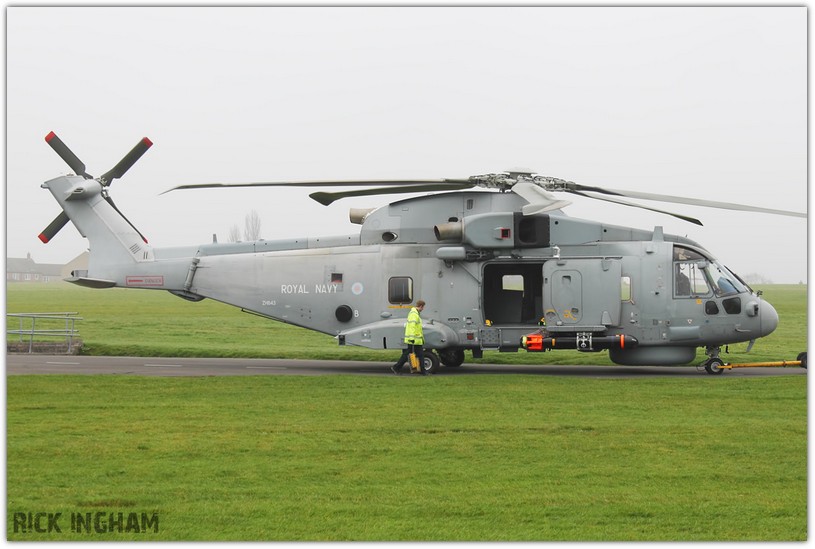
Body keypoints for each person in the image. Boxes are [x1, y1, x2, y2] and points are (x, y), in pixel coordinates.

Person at [391, 300, 427, 375]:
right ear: (421, 306)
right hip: (414, 339)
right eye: (423, 307)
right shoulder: (414, 314)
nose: (423, 309)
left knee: (417, 354)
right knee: (411, 354)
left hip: (416, 339)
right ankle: (396, 367)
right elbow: (412, 327)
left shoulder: (415, 313)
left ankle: (423, 371)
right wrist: (412, 338)